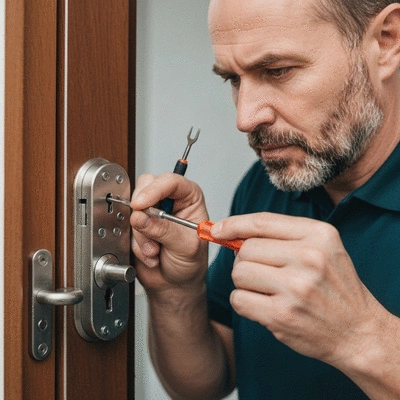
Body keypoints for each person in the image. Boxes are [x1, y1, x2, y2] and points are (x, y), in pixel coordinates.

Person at [130, 0, 400, 398]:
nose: (245, 117)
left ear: (386, 40)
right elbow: (208, 382)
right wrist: (176, 292)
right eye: (233, 80)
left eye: (277, 71)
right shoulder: (266, 185)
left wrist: (362, 337)